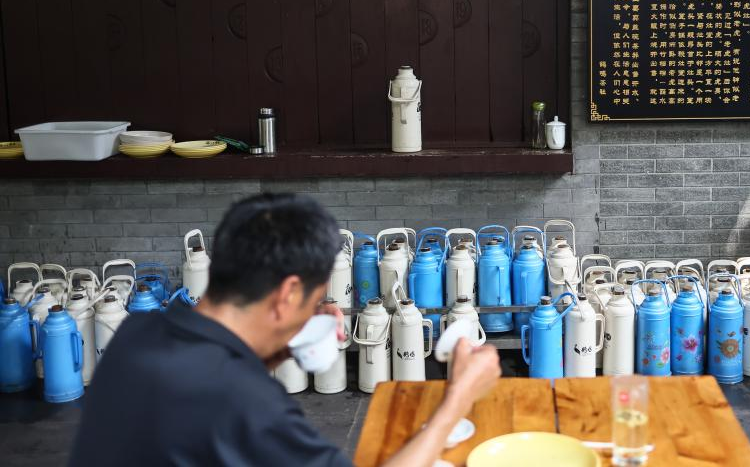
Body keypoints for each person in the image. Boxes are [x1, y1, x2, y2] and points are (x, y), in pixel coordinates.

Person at [69, 193, 501, 467]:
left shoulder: (138, 334)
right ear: (287, 294)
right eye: (315, 300)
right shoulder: (247, 404)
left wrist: (289, 341)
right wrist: (457, 398)